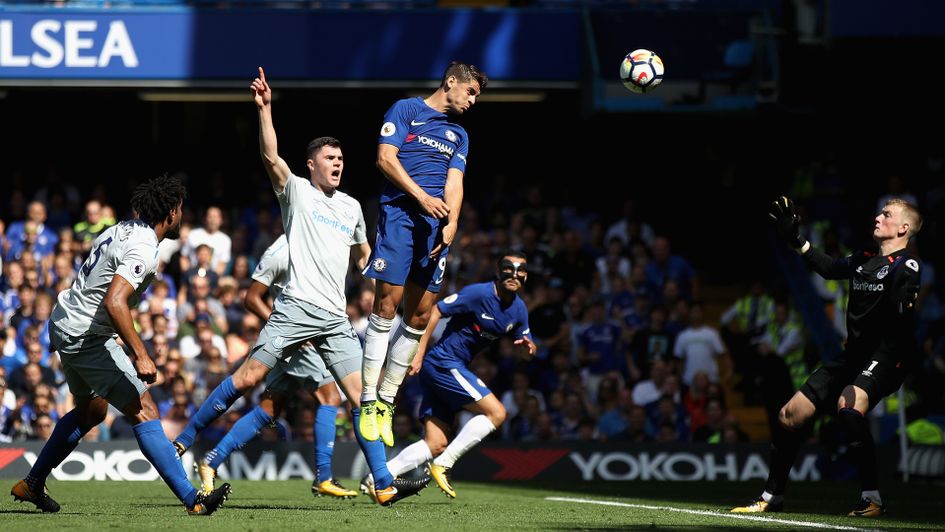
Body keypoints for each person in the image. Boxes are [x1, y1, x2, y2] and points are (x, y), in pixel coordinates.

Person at [170, 67, 427, 507]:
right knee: (247, 379)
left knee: (360, 397)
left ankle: (382, 482)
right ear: (312, 166)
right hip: (294, 310)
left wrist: (389, 272)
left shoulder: (350, 207)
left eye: (342, 159)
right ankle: (185, 441)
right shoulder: (298, 193)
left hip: (334, 318)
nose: (338, 163)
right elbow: (271, 157)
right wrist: (265, 110)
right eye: (330, 158)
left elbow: (365, 257)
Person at [10, 175, 231, 515]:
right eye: (181, 210)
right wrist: (141, 354)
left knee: (92, 411)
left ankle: (32, 483)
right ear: (172, 213)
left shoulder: (119, 229)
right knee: (144, 409)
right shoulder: (143, 246)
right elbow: (115, 301)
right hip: (85, 335)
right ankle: (193, 500)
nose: (182, 216)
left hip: (66, 322)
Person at [732, 196, 922, 518]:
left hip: (886, 357)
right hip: (852, 357)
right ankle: (771, 497)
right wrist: (798, 241)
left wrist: (905, 305)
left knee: (848, 408)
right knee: (789, 415)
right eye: (879, 211)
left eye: (887, 214)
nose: (878, 217)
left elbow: (904, 318)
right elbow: (830, 268)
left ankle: (872, 498)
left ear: (903, 228)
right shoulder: (863, 259)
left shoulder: (906, 267)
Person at [359, 61, 488, 448]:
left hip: (435, 227)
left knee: (419, 316)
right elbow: (385, 159)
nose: (473, 101)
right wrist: (421, 197)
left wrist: (452, 225)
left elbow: (456, 183)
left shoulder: (459, 135)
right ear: (451, 82)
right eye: (471, 92)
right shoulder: (407, 109)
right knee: (387, 306)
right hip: (401, 215)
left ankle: (386, 401)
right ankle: (367, 399)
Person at [193, 233, 356, 499]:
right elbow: (253, 297)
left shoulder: (308, 241)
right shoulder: (285, 247)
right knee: (330, 398)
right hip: (299, 335)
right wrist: (286, 330)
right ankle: (324, 476)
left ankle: (212, 460)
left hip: (294, 332)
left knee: (270, 409)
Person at [374, 251, 536, 499]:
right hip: (443, 361)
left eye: (521, 270)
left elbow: (524, 352)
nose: (514, 275)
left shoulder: (519, 310)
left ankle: (377, 477)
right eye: (508, 268)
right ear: (497, 270)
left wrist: (527, 352)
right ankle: (444, 464)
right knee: (497, 413)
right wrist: (418, 352)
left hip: (451, 366)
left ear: (526, 276)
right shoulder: (478, 293)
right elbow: (436, 310)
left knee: (435, 442)